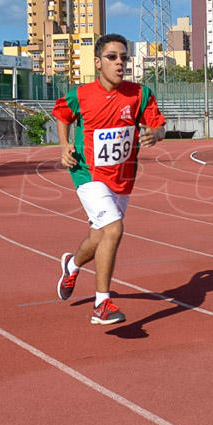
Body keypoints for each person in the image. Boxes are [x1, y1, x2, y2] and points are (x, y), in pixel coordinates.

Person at [51, 34, 167, 325]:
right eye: (113, 57)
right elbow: (62, 114)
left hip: (123, 177)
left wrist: (157, 134)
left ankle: (72, 264)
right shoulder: (81, 94)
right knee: (114, 229)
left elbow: (160, 125)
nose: (119, 63)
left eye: (124, 58)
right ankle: (102, 304)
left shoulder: (139, 93)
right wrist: (64, 144)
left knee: (99, 237)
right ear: (98, 62)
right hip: (87, 172)